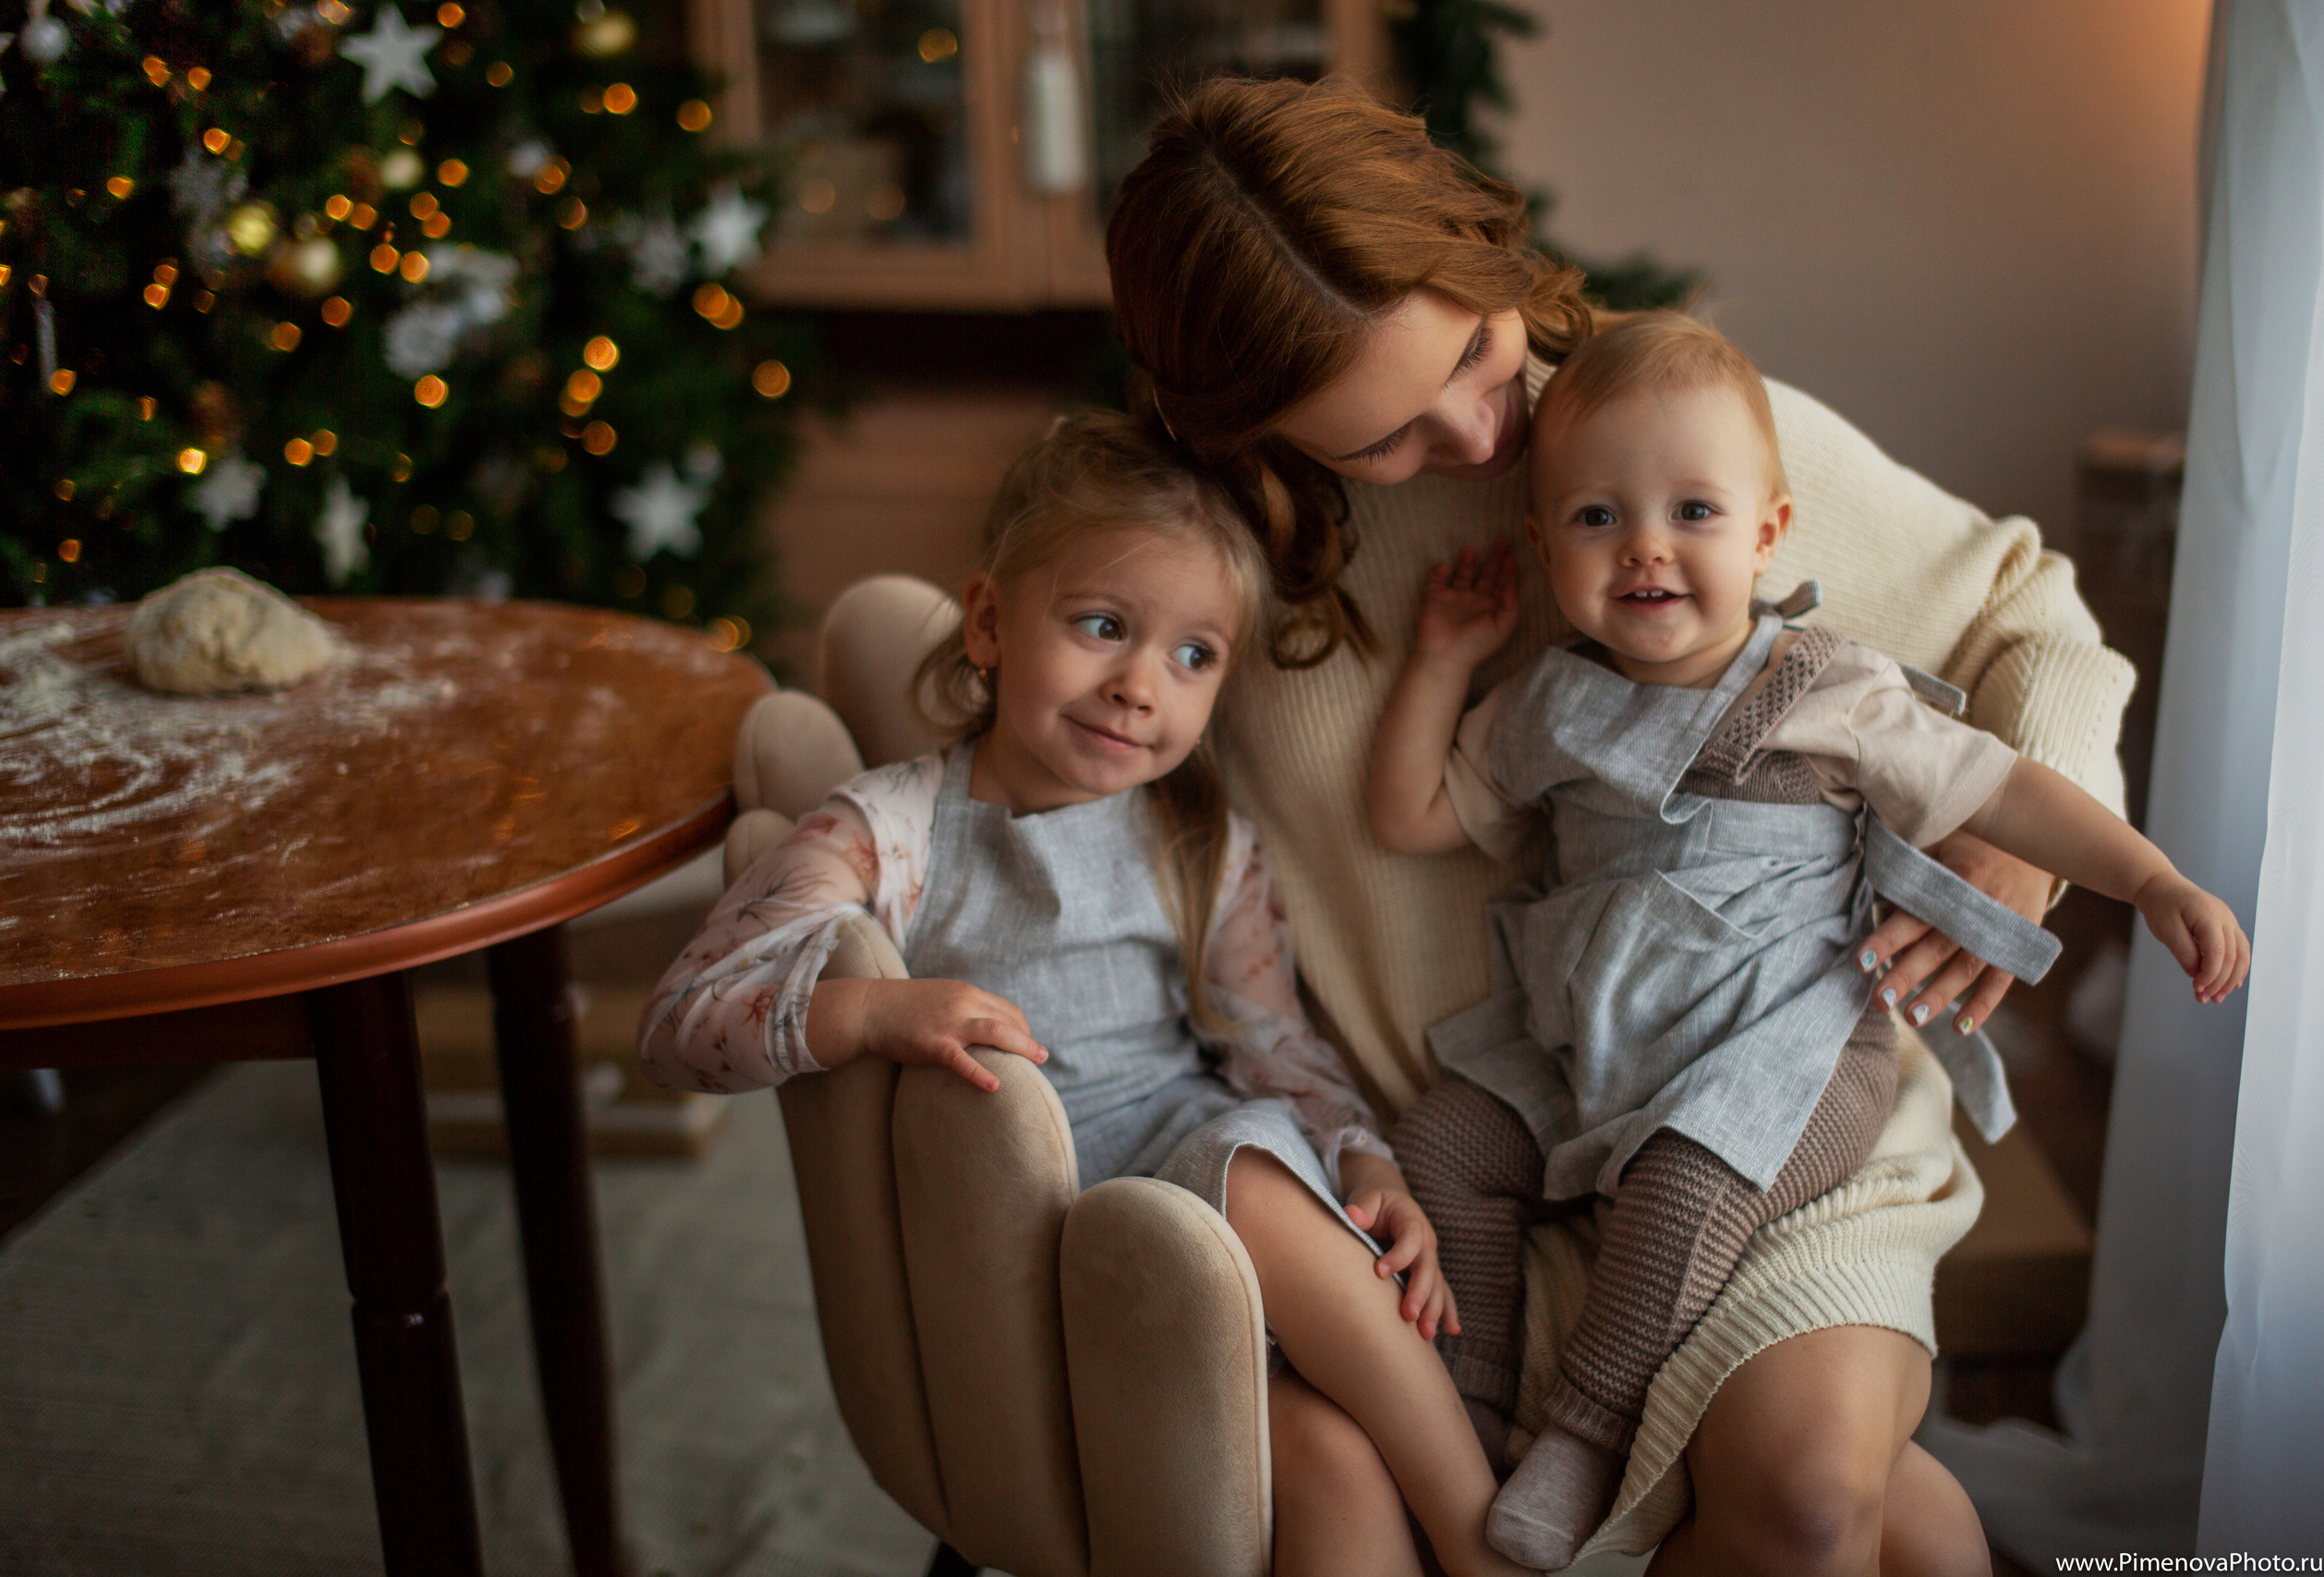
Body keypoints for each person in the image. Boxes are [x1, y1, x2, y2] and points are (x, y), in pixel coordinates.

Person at [1108, 74, 2141, 1575]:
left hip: (1765, 1124)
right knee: (1902, 1533)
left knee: (1799, 1498)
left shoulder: (1665, 432)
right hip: (1468, 1183)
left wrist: (2017, 840)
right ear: (1243, 432)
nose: (1480, 430)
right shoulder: (1210, 571)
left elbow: (2026, 610)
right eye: (1386, 439)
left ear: (1479, 238)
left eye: (1474, 342)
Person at [1363, 313, 2248, 1568]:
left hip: (1785, 1052)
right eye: (1597, 518)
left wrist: (2149, 876)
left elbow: (1999, 787)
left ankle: (1582, 1429)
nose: (1647, 549)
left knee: (1685, 1176)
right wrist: (1441, 663)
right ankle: (1473, 1400)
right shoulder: (1549, 700)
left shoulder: (1823, 687)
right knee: (1444, 1143)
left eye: (1694, 512)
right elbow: (1407, 815)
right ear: (1541, 541)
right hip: (1594, 1046)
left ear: (1771, 531)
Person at [638, 412, 1533, 1577]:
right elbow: (678, 1023)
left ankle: (1475, 1538)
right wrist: (868, 1010)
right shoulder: (893, 827)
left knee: (1323, 1414)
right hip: (1043, 1247)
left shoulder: (1202, 840)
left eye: (1192, 655)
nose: (1137, 687)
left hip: (1211, 1188)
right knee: (1310, 1417)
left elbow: (1276, 1046)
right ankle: (1490, 1548)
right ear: (991, 622)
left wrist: (1363, 1158)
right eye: (1102, 626)